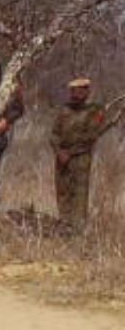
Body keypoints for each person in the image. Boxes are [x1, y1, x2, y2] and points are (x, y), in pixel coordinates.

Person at [51, 78, 121, 230]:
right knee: (62, 192)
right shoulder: (64, 110)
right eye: (73, 90)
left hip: (80, 158)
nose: (76, 94)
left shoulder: (95, 111)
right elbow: (54, 134)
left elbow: (91, 136)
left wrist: (70, 152)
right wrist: (59, 151)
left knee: (79, 195)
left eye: (80, 90)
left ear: (87, 91)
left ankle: (77, 231)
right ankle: (64, 227)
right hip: (62, 158)